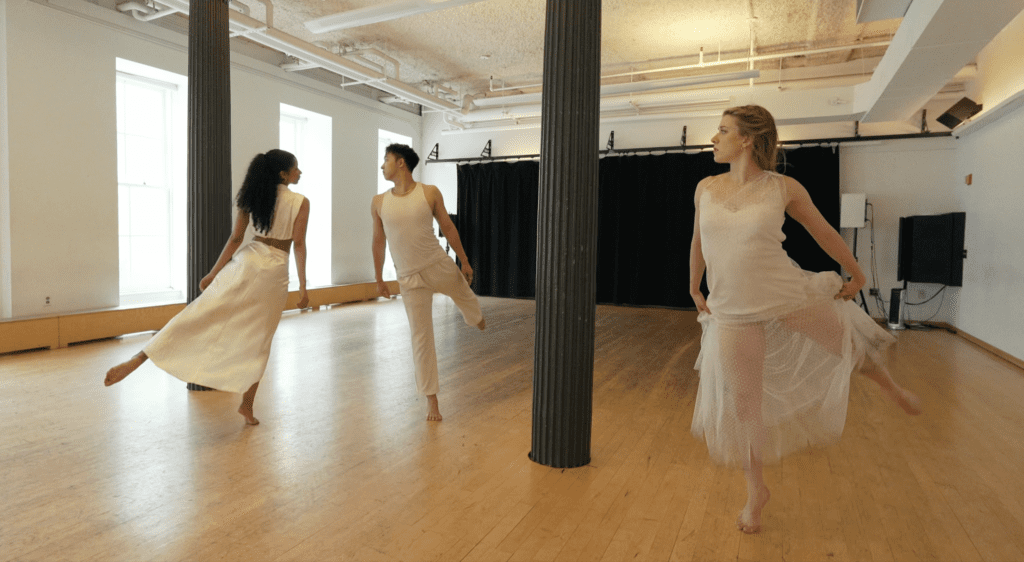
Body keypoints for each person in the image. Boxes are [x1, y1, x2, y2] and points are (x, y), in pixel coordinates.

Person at [689, 105, 920, 534]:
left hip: (786, 293)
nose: (714, 138)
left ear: (747, 139)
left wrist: (857, 272)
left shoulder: (783, 187)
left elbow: (823, 231)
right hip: (732, 309)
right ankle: (756, 492)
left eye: (723, 130)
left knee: (848, 347)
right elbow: (698, 241)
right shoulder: (706, 187)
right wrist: (694, 286)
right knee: (744, 404)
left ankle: (892, 388)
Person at [104, 149, 310, 426]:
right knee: (260, 339)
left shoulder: (252, 194)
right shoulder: (300, 202)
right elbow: (299, 244)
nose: (300, 172)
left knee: (199, 314)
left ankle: (140, 357)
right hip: (273, 272)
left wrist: (214, 273)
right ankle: (246, 405)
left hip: (247, 261)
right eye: (296, 168)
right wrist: (303, 286)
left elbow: (236, 238)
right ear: (283, 174)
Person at [371, 143, 485, 422]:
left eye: (386, 160)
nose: (382, 165)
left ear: (401, 163)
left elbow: (447, 226)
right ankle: (431, 400)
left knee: (462, 291)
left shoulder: (429, 192)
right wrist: (379, 278)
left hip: (436, 264)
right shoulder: (379, 202)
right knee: (421, 338)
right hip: (408, 276)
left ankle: (475, 316)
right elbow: (378, 241)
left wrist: (464, 260)